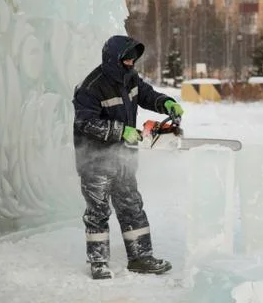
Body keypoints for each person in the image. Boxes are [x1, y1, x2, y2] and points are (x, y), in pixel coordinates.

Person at [72, 35, 184, 279]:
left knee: (132, 207)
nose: (132, 62)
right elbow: (85, 122)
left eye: (134, 57)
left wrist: (166, 103)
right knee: (98, 211)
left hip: (123, 156)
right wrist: (122, 131)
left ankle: (141, 257)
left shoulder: (130, 78)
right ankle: (98, 262)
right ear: (114, 59)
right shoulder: (90, 87)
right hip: (94, 160)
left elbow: (145, 94)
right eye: (127, 58)